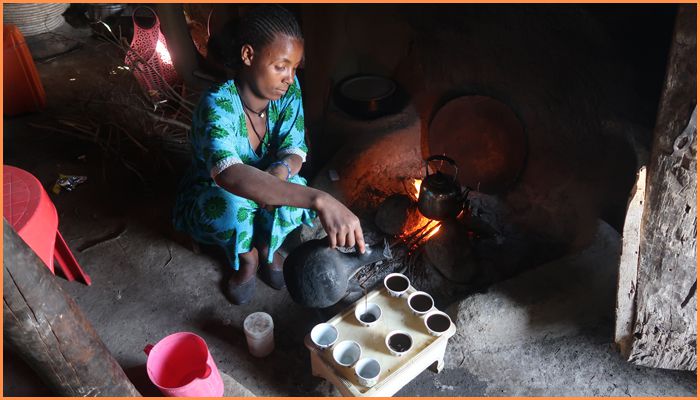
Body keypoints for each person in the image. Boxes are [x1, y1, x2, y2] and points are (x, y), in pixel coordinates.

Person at [173, 5, 365, 305]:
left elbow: (295, 148)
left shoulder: (289, 92)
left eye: (294, 67)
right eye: (281, 66)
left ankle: (265, 246)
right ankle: (246, 258)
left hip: (266, 182)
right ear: (249, 55)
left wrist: (279, 174)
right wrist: (320, 198)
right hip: (217, 191)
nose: (289, 78)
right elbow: (229, 174)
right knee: (231, 208)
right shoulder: (217, 105)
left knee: (293, 189)